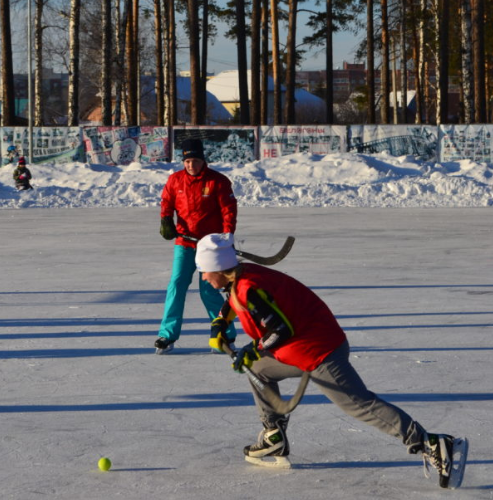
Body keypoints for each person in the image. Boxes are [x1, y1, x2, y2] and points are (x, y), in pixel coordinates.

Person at [193, 233, 468, 488]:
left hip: (320, 351)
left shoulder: (250, 288)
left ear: (219, 268)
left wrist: (254, 346)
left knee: (359, 405)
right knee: (258, 369)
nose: (204, 278)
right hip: (301, 347)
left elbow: (279, 330)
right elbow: (234, 300)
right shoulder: (243, 275)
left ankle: (431, 442)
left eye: (205, 272)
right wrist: (220, 321)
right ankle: (273, 436)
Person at [155, 138, 238, 354]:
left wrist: (227, 233)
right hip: (184, 242)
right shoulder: (175, 180)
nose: (191, 165)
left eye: (195, 160)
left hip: (210, 246)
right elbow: (167, 201)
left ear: (203, 161)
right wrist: (166, 219)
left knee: (209, 290)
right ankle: (167, 334)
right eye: (187, 161)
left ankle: (224, 335)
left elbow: (228, 209)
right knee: (176, 285)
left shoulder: (218, 181)